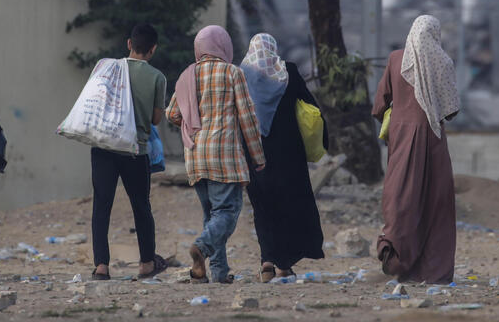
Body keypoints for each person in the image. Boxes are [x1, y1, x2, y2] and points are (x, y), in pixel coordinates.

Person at [166, 25, 266, 283]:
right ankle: (201, 247)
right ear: (224, 46)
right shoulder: (232, 73)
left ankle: (217, 273)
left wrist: (193, 123)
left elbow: (172, 113)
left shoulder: (188, 74)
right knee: (228, 212)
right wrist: (258, 156)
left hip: (196, 156)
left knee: (212, 216)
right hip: (224, 156)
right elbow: (247, 118)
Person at [372, 15, 459, 284]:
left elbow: (379, 105)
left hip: (401, 137)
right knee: (436, 202)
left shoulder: (396, 59)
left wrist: (396, 120)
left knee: (402, 196)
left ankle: (397, 258)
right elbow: (451, 109)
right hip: (433, 139)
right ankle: (434, 272)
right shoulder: (443, 62)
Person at [239, 33, 325, 282]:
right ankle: (284, 265)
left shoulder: (241, 74)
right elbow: (310, 105)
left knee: (262, 206)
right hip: (289, 153)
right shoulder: (288, 71)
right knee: (287, 204)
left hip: (253, 150)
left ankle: (267, 261)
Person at [91, 24, 169, 281]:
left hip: (103, 147)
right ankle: (147, 263)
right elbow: (156, 119)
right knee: (141, 206)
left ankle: (101, 266)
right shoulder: (157, 77)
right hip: (135, 149)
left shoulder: (108, 68)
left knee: (102, 205)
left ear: (129, 44)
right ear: (153, 49)